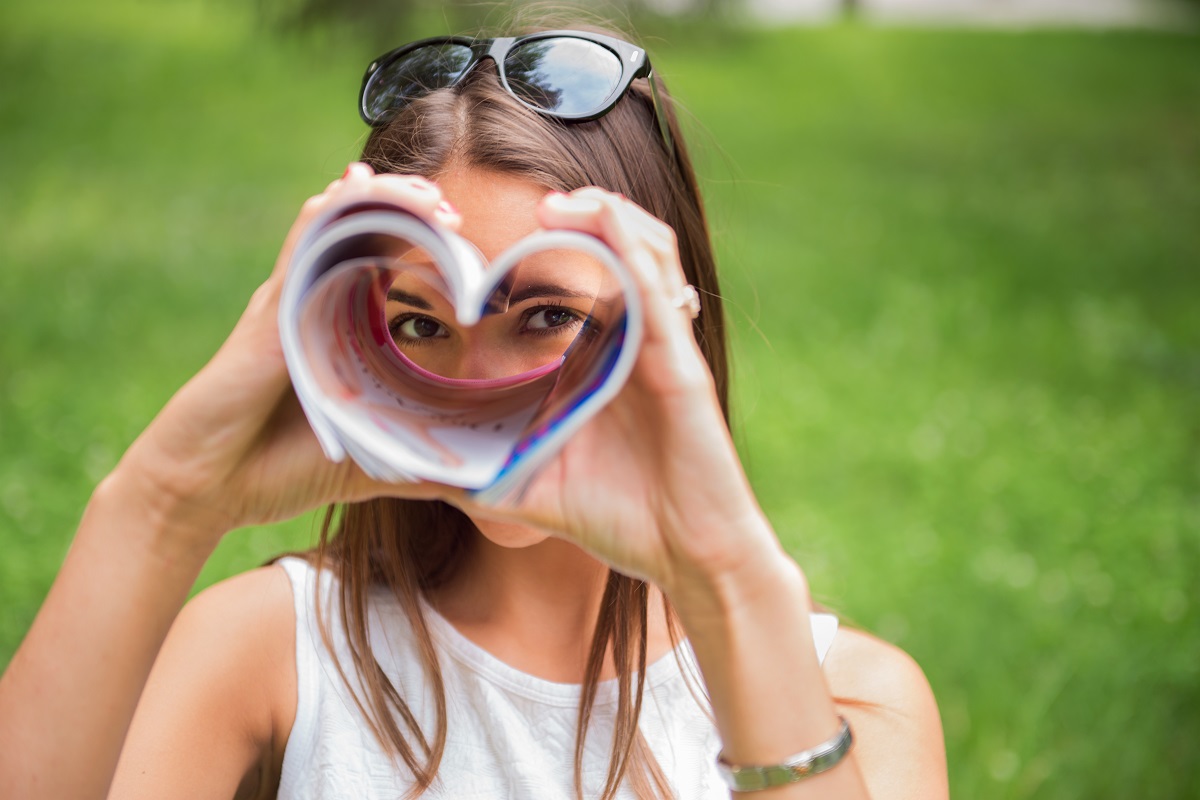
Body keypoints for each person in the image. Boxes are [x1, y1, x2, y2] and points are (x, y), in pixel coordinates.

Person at [0, 19, 947, 800]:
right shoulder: (269, 650)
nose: (479, 383)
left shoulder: (851, 699)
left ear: (669, 321)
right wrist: (166, 503)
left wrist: (726, 578)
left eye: (545, 317)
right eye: (419, 324)